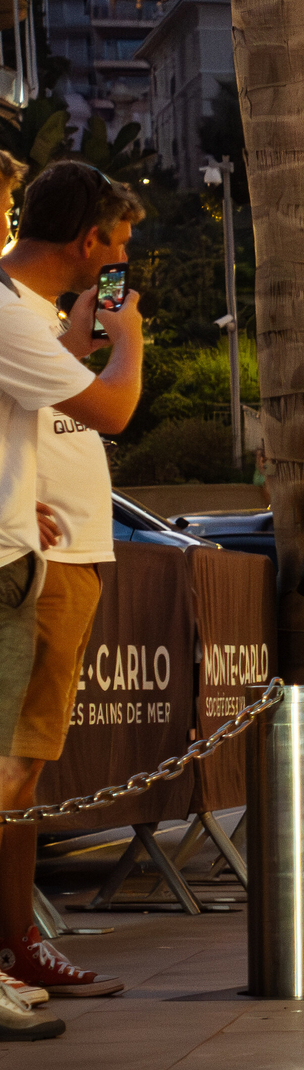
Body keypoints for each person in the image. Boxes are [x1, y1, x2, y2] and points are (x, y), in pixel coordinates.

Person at [0, 159, 149, 1025]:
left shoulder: (30, 318)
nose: (120, 260)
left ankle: (19, 940)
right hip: (22, 567)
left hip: (30, 548)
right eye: (118, 244)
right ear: (90, 240)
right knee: (11, 767)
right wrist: (128, 342)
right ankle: (14, 943)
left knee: (20, 768)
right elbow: (112, 412)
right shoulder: (11, 311)